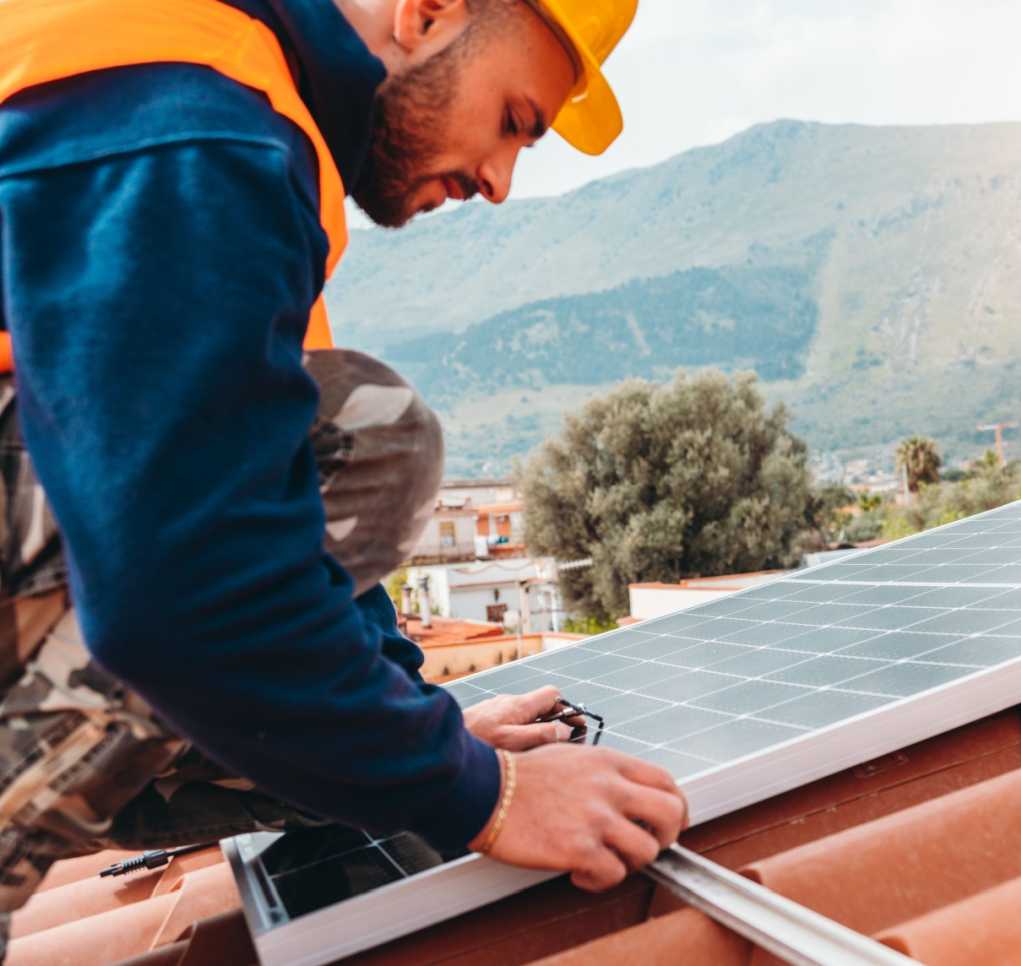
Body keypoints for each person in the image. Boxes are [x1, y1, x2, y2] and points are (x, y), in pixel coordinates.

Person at [0, 0, 686, 949]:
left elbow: (269, 478)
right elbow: (183, 572)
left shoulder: (242, 101)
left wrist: (422, 730)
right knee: (360, 449)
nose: (498, 180)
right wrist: (476, 796)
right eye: (514, 122)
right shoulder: (196, 120)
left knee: (353, 438)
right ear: (431, 11)